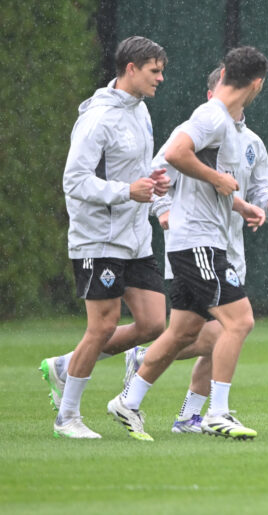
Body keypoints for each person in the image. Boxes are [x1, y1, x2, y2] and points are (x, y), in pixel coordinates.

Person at [107, 46, 268, 441]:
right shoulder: (212, 115)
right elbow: (176, 154)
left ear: (226, 71)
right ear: (257, 83)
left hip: (198, 239)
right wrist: (216, 180)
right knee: (240, 320)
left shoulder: (226, 124)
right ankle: (217, 412)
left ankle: (127, 401)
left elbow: (207, 180)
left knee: (182, 331)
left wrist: (241, 204)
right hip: (198, 240)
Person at [43, 36, 171, 439]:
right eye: (154, 71)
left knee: (153, 323)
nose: (161, 78)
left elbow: (138, 169)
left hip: (135, 237)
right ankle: (67, 417)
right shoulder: (98, 117)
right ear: (130, 69)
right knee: (103, 325)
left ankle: (67, 365)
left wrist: (153, 184)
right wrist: (126, 191)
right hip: (98, 237)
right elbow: (74, 180)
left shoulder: (141, 111)